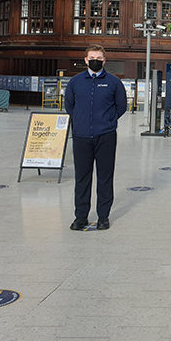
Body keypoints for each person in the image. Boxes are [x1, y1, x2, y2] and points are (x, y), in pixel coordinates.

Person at [64, 44, 127, 231]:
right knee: (82, 177)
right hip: (81, 137)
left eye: (99, 58)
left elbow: (121, 106)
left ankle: (103, 216)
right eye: (92, 58)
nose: (95, 61)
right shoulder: (75, 82)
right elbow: (69, 106)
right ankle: (80, 216)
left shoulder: (114, 82)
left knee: (105, 176)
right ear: (85, 60)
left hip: (105, 136)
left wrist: (108, 120)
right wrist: (80, 121)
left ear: (105, 60)